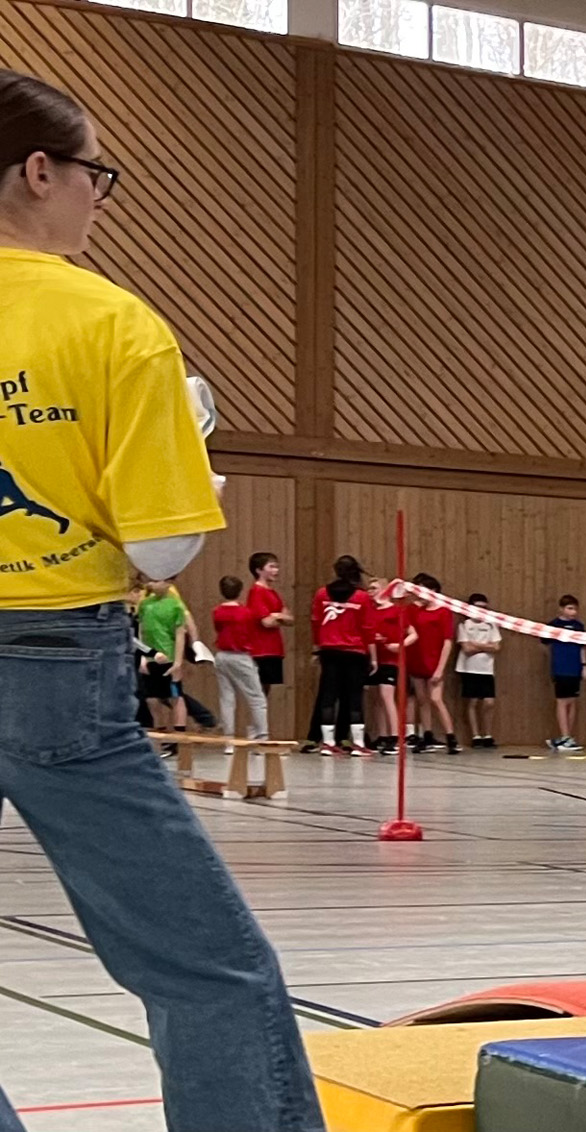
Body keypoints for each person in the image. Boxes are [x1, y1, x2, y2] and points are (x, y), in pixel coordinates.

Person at [0, 70, 322, 1130]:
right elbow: (162, 546)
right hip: (51, 666)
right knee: (205, 969)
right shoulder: (114, 325)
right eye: (95, 173)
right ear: (37, 172)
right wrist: (195, 483)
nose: (98, 194)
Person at [310, 556, 373, 754]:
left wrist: (317, 646)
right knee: (355, 697)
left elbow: (316, 621)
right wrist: (373, 656)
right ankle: (358, 744)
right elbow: (367, 627)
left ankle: (328, 743)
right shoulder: (362, 597)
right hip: (355, 651)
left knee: (328, 696)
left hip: (329, 650)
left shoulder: (322, 594)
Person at [211, 575, 268, 756]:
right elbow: (251, 632)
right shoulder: (246, 613)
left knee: (226, 698)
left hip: (222, 655)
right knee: (257, 698)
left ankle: (229, 742)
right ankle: (261, 739)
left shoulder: (217, 612)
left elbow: (218, 629)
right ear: (240, 591)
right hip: (241, 656)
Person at [405, 572, 458, 753]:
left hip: (434, 661)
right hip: (417, 659)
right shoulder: (414, 610)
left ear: (433, 591)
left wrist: (440, 669)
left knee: (436, 699)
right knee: (422, 700)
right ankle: (426, 736)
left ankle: (451, 737)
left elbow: (447, 641)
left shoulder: (443, 611)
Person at [364, 575, 413, 754]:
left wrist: (399, 646)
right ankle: (382, 735)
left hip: (390, 659)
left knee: (387, 696)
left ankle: (396, 737)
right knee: (376, 698)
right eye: (369, 589)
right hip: (374, 658)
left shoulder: (396, 611)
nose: (370, 592)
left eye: (374, 588)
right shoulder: (370, 611)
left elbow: (413, 634)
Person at [136, 578, 189, 738]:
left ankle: (178, 736)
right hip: (151, 658)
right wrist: (142, 656)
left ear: (168, 583)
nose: (154, 584)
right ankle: (161, 731)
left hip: (168, 658)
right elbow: (141, 631)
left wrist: (178, 662)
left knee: (175, 696)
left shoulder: (175, 605)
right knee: (152, 698)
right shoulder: (145, 604)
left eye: (159, 581)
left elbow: (180, 635)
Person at [246, 550, 294, 695]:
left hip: (274, 648)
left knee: (266, 689)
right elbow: (266, 622)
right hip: (261, 649)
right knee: (260, 690)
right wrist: (278, 616)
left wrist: (276, 615)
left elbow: (290, 619)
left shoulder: (273, 593)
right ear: (259, 570)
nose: (276, 571)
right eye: (271, 567)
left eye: (276, 567)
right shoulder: (257, 592)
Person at [456, 593, 501, 749]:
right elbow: (467, 649)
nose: (481, 611)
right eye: (478, 607)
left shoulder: (491, 625)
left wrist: (476, 645)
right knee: (473, 701)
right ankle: (476, 736)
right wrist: (486, 646)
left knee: (489, 702)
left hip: (486, 669)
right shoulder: (464, 625)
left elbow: (496, 647)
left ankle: (487, 735)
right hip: (469, 668)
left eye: (484, 608)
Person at [546, 594, 586, 751]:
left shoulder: (579, 626)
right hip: (561, 669)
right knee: (562, 702)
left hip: (575, 668)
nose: (573, 612)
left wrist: (584, 665)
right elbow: (544, 643)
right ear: (561, 609)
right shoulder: (554, 625)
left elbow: (582, 647)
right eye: (570, 608)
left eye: (575, 609)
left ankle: (568, 737)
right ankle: (565, 736)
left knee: (573, 702)